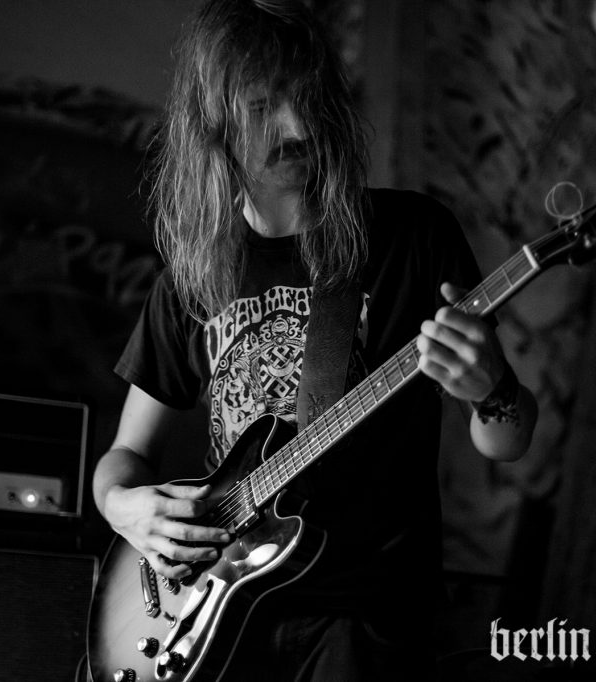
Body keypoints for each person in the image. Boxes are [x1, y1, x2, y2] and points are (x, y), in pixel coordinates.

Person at [92, 1, 537, 679]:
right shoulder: (193, 279)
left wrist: (492, 389)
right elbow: (125, 456)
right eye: (263, 106)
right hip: (215, 616)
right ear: (213, 124)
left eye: (307, 99)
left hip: (364, 619)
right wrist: (125, 507)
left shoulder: (413, 237)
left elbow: (509, 441)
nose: (298, 127)